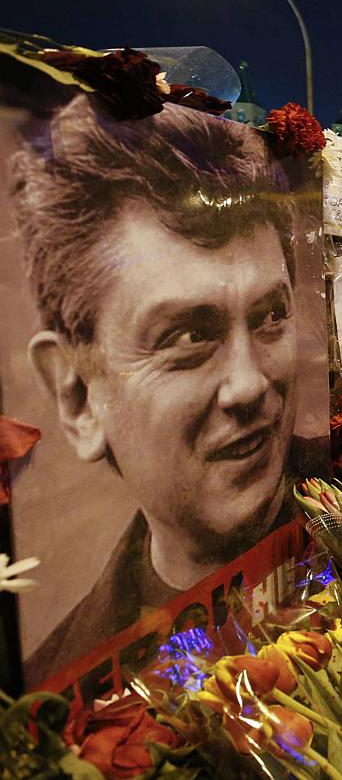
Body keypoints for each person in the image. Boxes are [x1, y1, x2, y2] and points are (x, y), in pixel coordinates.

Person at [11, 94, 312, 678]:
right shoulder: (64, 692)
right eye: (187, 336)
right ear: (77, 395)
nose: (249, 385)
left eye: (271, 315)